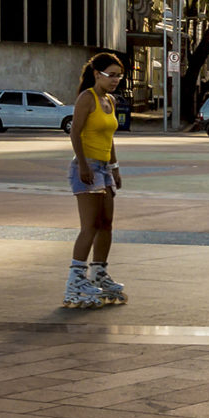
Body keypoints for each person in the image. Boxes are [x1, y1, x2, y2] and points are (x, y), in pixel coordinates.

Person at [63, 51, 127, 307]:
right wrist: (82, 166)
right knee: (89, 226)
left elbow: (109, 137)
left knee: (106, 224)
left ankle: (99, 272)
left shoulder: (109, 100)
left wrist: (115, 167)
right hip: (86, 167)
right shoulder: (86, 99)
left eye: (118, 76)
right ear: (96, 74)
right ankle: (75, 279)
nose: (115, 80)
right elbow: (75, 133)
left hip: (104, 168)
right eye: (111, 75)